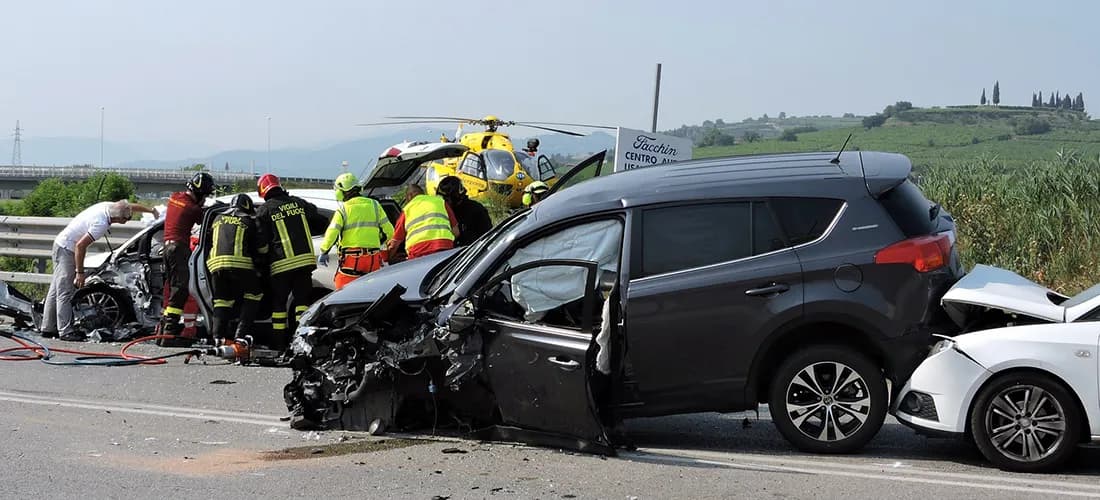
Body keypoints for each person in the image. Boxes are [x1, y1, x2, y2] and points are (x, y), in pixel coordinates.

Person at [42, 200, 159, 341]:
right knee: (65, 292)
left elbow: (128, 207)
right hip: (67, 249)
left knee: (56, 289)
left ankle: (48, 328)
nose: (127, 221)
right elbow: (80, 246)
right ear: (119, 218)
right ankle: (66, 331)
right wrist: (80, 273)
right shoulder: (101, 224)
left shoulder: (109, 206)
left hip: (62, 245)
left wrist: (151, 210)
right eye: (126, 219)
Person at [254, 173, 328, 350]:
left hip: (281, 265)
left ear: (263, 190)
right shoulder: (299, 203)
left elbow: (261, 242)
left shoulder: (265, 210)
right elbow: (320, 220)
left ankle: (279, 343)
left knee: (279, 306)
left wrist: (261, 259)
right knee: (301, 303)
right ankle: (300, 342)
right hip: (304, 263)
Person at [158, 172, 217, 347]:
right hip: (178, 249)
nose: (205, 200)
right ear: (199, 194)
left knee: (172, 289)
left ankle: (163, 333)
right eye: (204, 196)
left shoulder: (175, 198)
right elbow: (205, 221)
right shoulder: (192, 209)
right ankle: (169, 333)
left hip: (167, 248)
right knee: (180, 290)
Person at [206, 194, 266, 344]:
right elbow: (262, 248)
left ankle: (218, 338)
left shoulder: (217, 218)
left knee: (221, 301)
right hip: (240, 264)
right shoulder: (248, 220)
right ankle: (241, 334)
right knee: (254, 294)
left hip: (215, 265)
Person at [318, 173, 394, 290]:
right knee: (371, 290)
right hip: (373, 259)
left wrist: (324, 251)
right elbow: (389, 231)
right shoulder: (375, 205)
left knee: (344, 290)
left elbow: (332, 232)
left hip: (352, 260)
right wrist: (379, 245)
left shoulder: (343, 209)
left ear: (342, 190)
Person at [386, 183, 460, 260]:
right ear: (423, 193)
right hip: (445, 247)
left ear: (409, 196)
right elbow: (456, 232)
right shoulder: (440, 202)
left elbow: (395, 243)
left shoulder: (406, 210)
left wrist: (390, 258)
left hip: (418, 252)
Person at [436, 176, 491, 247]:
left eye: (446, 199)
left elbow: (487, 237)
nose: (443, 203)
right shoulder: (440, 211)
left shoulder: (476, 210)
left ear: (456, 197)